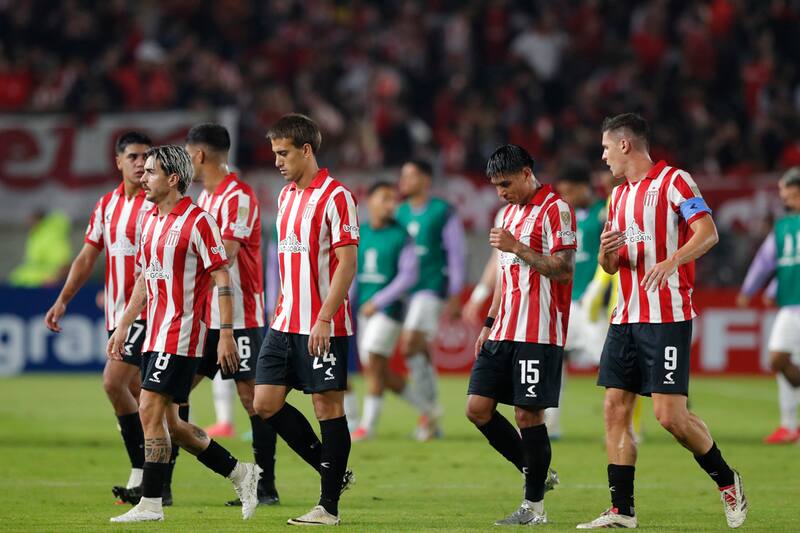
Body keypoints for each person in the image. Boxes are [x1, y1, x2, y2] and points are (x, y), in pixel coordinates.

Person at [577, 113, 747, 529]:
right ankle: (622, 509)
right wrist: (606, 252)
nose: (602, 157)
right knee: (615, 408)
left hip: (667, 316)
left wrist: (673, 260)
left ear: (625, 145)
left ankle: (727, 480)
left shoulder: (676, 182)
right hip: (625, 317)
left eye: (604, 148)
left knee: (670, 417)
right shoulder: (616, 199)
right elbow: (611, 266)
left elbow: (707, 233)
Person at [107, 145, 259, 523]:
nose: (143, 176)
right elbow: (144, 278)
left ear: (173, 179)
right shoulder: (148, 219)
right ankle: (241, 472)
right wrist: (126, 323)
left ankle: (151, 504)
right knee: (172, 424)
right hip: (154, 333)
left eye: (152, 172)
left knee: (147, 408)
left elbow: (222, 275)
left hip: (183, 332)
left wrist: (226, 333)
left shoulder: (198, 221)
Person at [44, 132, 162, 502]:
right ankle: (226, 472)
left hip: (147, 311)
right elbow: (86, 256)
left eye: (146, 157)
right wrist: (63, 299)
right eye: (133, 157)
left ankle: (141, 471)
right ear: (118, 161)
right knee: (149, 403)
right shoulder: (107, 205)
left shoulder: (155, 204)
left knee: (113, 383)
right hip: (116, 313)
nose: (141, 163)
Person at [252, 113, 357, 526]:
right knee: (264, 403)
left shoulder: (336, 196)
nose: (277, 161)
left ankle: (328, 507)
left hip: (322, 323)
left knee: (326, 407)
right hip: (283, 321)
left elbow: (347, 264)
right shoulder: (286, 197)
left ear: (306, 150)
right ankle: (332, 470)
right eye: (274, 153)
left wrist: (325, 318)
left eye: (283, 153)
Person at [466, 144, 575, 526]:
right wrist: (489, 323)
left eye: (506, 183)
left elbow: (562, 270)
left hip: (539, 331)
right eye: (496, 185)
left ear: (528, 172)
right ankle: (539, 476)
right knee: (477, 409)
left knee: (528, 415)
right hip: (504, 329)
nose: (501, 192)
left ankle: (534, 508)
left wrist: (518, 246)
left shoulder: (556, 209)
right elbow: (504, 276)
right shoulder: (506, 213)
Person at [185, 123, 280, 505]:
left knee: (252, 398)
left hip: (240, 314)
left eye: (188, 154)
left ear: (200, 155)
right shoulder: (203, 199)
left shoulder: (237, 196)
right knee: (170, 393)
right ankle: (160, 486)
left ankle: (265, 484)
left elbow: (223, 255)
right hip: (206, 315)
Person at [396, 159, 466, 440]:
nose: (403, 181)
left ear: (425, 180)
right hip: (407, 292)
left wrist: (456, 291)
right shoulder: (400, 213)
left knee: (410, 343)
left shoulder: (442, 211)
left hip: (432, 287)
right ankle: (431, 414)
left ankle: (428, 409)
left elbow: (456, 252)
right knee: (419, 350)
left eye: (409, 175)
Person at [350, 181, 419, 441]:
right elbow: (352, 271)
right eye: (385, 198)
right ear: (370, 200)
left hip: (389, 309)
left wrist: (377, 301)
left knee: (375, 361)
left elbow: (408, 277)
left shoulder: (402, 235)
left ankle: (366, 427)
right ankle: (427, 409)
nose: (392, 205)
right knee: (377, 369)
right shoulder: (361, 232)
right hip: (363, 310)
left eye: (394, 200)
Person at [736, 167, 800, 443]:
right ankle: (788, 425)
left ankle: (789, 425)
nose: (781, 194)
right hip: (790, 305)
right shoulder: (783, 227)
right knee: (779, 358)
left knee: (781, 358)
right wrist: (760, 288)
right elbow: (767, 261)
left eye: (784, 189)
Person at [543, 162, 607, 438]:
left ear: (584, 188)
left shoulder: (604, 212)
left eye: (569, 191)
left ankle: (662, 397)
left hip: (595, 303)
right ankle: (549, 426)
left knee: (612, 365)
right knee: (557, 360)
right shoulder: (562, 217)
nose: (564, 197)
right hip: (566, 300)